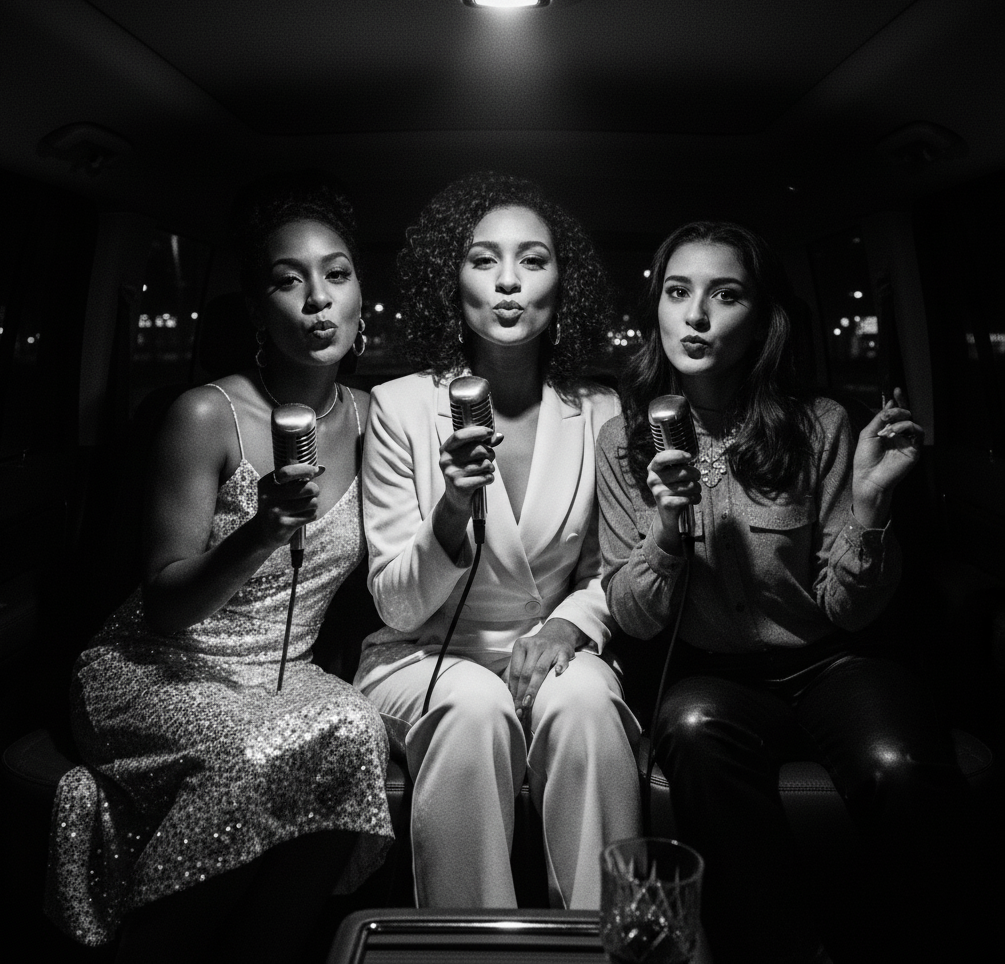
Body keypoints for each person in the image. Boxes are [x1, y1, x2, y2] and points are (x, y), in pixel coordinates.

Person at [595, 221, 974, 964]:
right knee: (696, 726)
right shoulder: (623, 439)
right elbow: (636, 620)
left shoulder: (819, 425)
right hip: (712, 676)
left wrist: (869, 509)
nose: (696, 315)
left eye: (724, 294)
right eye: (678, 292)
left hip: (830, 663)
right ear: (658, 309)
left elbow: (848, 607)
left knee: (897, 765)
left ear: (762, 318)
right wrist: (668, 531)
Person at [46, 177, 393, 961]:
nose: (316, 301)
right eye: (288, 278)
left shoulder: (378, 421)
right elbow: (164, 605)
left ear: (360, 296)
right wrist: (262, 530)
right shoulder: (207, 414)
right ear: (255, 309)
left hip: (279, 674)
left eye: (336, 275)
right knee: (248, 751)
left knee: (359, 730)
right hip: (155, 667)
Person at [355, 172, 641, 909]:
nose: (509, 281)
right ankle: (464, 948)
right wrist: (452, 507)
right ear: (451, 281)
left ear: (561, 284)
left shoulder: (601, 410)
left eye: (533, 260)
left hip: (547, 650)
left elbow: (608, 571)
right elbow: (394, 604)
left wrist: (566, 624)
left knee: (584, 701)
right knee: (476, 704)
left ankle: (605, 938)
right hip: (423, 657)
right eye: (484, 260)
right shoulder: (400, 408)